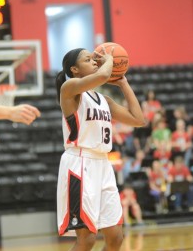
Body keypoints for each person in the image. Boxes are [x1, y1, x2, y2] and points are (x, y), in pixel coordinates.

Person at [55, 47, 145, 251]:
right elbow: (104, 74)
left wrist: (123, 82)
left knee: (115, 238)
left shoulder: (103, 100)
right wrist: (110, 60)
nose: (95, 62)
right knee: (87, 240)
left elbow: (138, 119)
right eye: (88, 60)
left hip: (103, 165)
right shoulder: (69, 88)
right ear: (74, 69)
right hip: (79, 164)